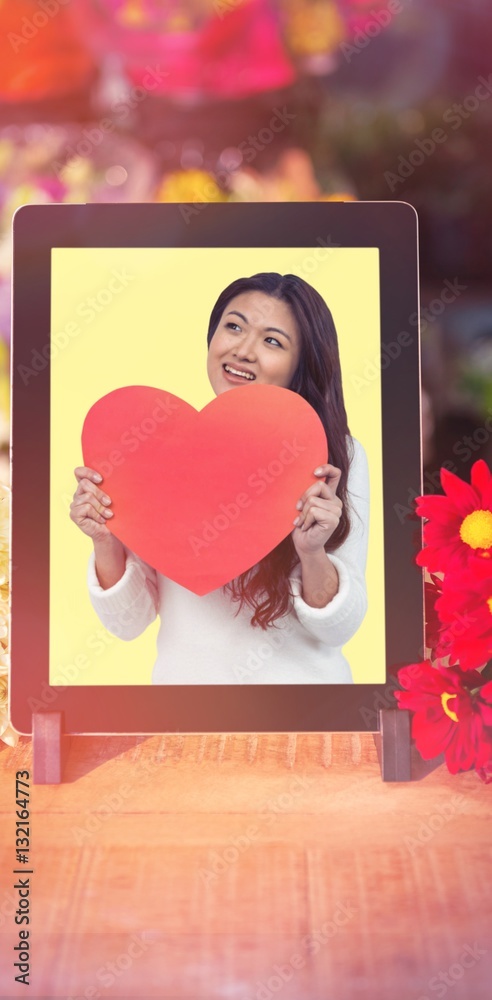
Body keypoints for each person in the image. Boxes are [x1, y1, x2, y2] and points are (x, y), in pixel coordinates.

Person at [70, 272, 369, 684]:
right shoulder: (153, 446)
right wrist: (105, 540)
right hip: (184, 720)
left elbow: (339, 629)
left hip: (307, 717)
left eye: (272, 341)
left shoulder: (336, 458)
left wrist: (312, 552)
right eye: (233, 327)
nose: (243, 351)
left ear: (302, 364)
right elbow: (129, 625)